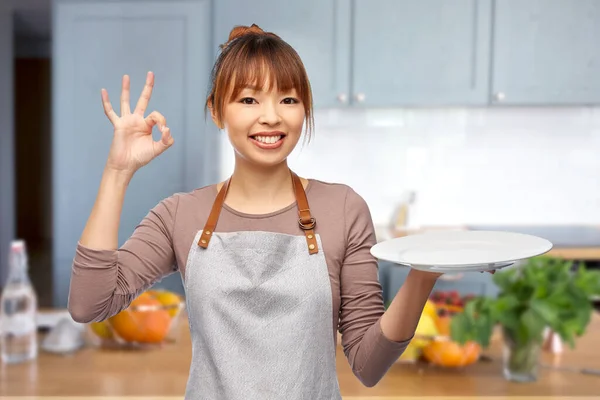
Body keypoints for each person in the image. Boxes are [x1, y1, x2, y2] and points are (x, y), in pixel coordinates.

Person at [68, 24, 445, 400]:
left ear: (304, 110)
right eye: (249, 100)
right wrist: (117, 173)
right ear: (217, 111)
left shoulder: (344, 209)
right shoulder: (180, 215)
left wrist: (423, 276)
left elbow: (368, 365)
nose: (271, 117)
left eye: (288, 99)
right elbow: (90, 304)